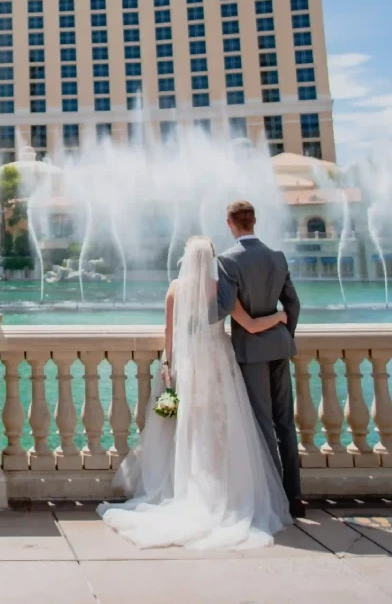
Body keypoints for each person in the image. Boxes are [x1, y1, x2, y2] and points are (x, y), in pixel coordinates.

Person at [97, 234, 291, 550]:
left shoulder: (175, 288)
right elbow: (253, 326)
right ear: (213, 259)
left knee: (192, 430)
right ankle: (223, 494)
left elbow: (169, 335)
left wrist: (167, 363)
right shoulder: (223, 289)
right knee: (223, 431)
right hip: (219, 364)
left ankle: (193, 491)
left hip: (189, 367)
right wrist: (281, 316)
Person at [217, 199, 305, 519]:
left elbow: (224, 306)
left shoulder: (227, 261)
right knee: (285, 422)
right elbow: (293, 305)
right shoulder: (277, 257)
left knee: (262, 422)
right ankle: (295, 496)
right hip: (280, 347)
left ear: (230, 224)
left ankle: (273, 498)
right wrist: (284, 334)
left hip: (251, 352)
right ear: (254, 221)